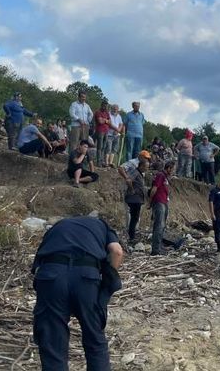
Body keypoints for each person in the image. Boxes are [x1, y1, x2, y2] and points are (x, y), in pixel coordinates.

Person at [32, 216, 123, 370]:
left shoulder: (58, 226)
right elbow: (117, 251)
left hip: (51, 275)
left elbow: (38, 264)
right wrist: (106, 282)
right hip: (86, 277)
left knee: (52, 341)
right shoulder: (103, 225)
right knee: (95, 339)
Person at [149, 160, 175, 256]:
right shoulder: (160, 175)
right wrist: (150, 202)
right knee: (159, 226)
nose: (173, 172)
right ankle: (155, 249)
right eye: (172, 170)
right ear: (168, 168)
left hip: (164, 202)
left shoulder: (166, 178)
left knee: (162, 226)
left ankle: (159, 246)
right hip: (159, 202)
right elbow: (154, 189)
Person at [123, 158, 149, 243]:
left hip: (137, 199)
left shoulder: (140, 173)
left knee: (135, 218)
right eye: (146, 167)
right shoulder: (135, 172)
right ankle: (131, 236)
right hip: (134, 198)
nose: (147, 168)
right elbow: (128, 180)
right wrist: (131, 189)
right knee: (134, 218)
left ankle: (132, 235)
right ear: (141, 166)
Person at [93, 101, 111, 167]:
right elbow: (100, 122)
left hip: (106, 131)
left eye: (106, 106)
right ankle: (98, 162)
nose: (105, 107)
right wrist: (106, 120)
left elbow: (110, 122)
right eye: (104, 105)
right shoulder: (98, 112)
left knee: (104, 147)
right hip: (100, 131)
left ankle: (101, 161)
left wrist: (105, 120)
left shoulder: (107, 113)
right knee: (99, 147)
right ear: (101, 105)